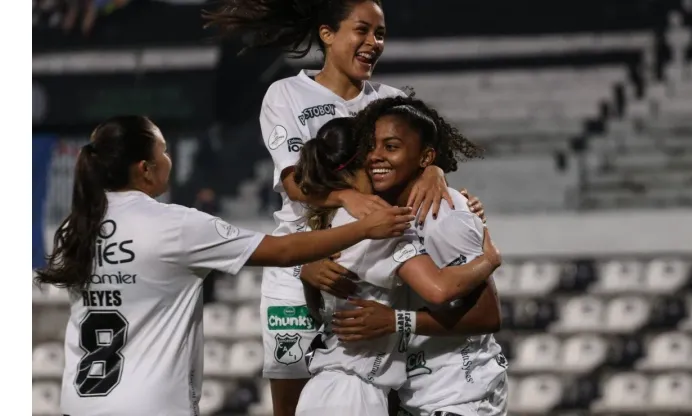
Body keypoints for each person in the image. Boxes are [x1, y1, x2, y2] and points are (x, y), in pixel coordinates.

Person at [204, 2, 485, 414]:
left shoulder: (389, 101)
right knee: (294, 404)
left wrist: (435, 173)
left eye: (381, 34)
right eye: (363, 30)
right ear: (327, 34)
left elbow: (426, 155)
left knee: (371, 394)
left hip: (370, 272)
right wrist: (347, 201)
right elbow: (296, 182)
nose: (374, 42)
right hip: (299, 264)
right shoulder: (286, 94)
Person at [33, 116, 416, 416]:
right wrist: (365, 227)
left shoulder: (75, 227)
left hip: (79, 403)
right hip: (150, 406)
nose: (170, 159)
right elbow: (283, 252)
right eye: (164, 151)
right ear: (145, 169)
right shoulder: (174, 224)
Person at [291, 116, 502, 416]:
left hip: (326, 390)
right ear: (361, 161)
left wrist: (434, 173)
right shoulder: (375, 224)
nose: (379, 157)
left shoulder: (332, 221)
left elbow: (318, 312)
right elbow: (440, 289)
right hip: (353, 396)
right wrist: (489, 259)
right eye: (373, 149)